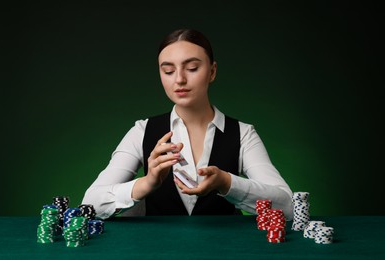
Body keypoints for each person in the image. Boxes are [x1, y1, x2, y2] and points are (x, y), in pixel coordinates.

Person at [81, 28, 294, 220]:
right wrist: (147, 183)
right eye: (168, 71)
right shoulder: (142, 131)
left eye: (192, 68)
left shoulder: (243, 134)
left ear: (212, 71)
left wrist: (227, 182)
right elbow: (90, 205)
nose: (180, 79)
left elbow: (288, 206)